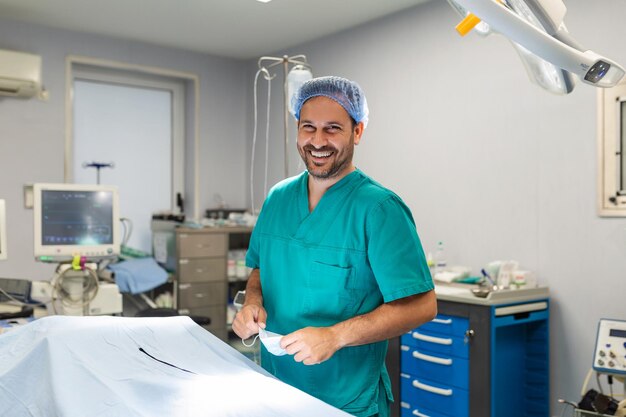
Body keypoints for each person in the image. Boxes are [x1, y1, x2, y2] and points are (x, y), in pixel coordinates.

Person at [232, 76, 436, 417]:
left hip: (345, 401)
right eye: (308, 127)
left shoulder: (379, 209)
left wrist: (335, 336)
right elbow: (261, 269)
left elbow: (422, 306)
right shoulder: (278, 198)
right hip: (274, 390)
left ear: (357, 132)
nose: (318, 141)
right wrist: (252, 303)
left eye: (333, 129)